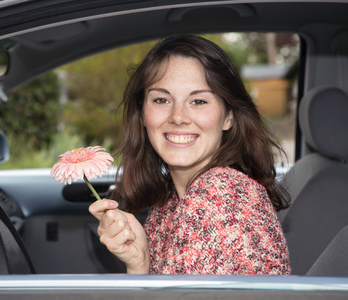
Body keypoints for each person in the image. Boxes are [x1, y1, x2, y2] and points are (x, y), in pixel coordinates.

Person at [88, 34, 291, 275]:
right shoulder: (171, 201)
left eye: (198, 101)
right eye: (162, 99)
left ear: (229, 116)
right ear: (142, 114)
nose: (178, 116)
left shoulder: (219, 196)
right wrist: (140, 264)